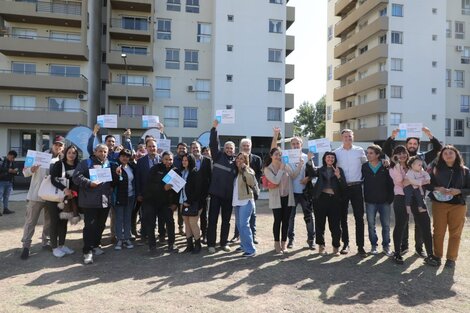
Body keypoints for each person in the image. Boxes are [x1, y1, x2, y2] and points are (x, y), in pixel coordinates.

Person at [383, 126, 442, 257]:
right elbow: (387, 149)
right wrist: (392, 136)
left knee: (420, 224)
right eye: (410, 143)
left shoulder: (423, 157)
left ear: (418, 145)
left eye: (415, 143)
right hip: (402, 196)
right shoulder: (400, 157)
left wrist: (429, 134)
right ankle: (403, 247)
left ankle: (419, 248)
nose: (412, 145)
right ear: (406, 145)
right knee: (403, 223)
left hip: (419, 194)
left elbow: (438, 149)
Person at [388, 146, 439, 266]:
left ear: (407, 154)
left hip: (418, 198)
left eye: (403, 153)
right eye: (398, 154)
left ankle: (430, 255)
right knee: (401, 224)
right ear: (394, 156)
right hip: (401, 197)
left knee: (425, 224)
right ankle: (397, 253)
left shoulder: (415, 164)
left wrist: (412, 180)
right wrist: (398, 165)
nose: (402, 155)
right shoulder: (393, 168)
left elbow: (426, 179)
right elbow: (400, 181)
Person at [20, 136, 65, 260]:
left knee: (49, 221)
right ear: (52, 145)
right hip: (35, 195)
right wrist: (32, 169)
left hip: (51, 196)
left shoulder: (61, 161)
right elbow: (24, 172)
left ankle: (46, 242)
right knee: (30, 221)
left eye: (60, 145)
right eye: (56, 144)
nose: (58, 147)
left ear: (63, 148)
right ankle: (26, 246)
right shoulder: (36, 156)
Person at [271, 128, 315, 250]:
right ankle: (291, 239)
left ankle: (311, 239)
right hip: (291, 192)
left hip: (305, 192)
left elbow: (314, 172)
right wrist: (275, 136)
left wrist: (308, 178)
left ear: (301, 145)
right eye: (293, 143)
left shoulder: (307, 157)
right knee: (290, 217)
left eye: (298, 143)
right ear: (291, 145)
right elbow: (274, 149)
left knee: (309, 217)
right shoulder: (286, 156)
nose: (295, 145)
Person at [428, 145, 470, 268]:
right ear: (441, 156)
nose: (448, 155)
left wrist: (459, 191)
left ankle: (451, 259)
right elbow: (426, 184)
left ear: (456, 154)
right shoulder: (434, 169)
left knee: (455, 233)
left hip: (458, 205)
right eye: (445, 153)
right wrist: (437, 188)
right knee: (438, 232)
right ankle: (437, 256)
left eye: (451, 152)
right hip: (439, 204)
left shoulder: (465, 171)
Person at [73, 144, 113, 265]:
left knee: (100, 225)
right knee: (90, 227)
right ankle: (87, 251)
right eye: (100, 151)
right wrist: (90, 183)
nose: (103, 153)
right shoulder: (86, 163)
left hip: (104, 201)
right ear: (95, 152)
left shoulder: (108, 163)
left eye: (105, 151)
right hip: (89, 201)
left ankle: (96, 245)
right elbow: (76, 176)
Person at [334, 129, 367, 257]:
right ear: (341, 138)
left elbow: (367, 165)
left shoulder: (359, 151)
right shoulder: (336, 153)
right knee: (343, 217)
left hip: (357, 187)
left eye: (350, 136)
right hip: (342, 188)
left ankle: (360, 246)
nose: (348, 138)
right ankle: (345, 243)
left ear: (353, 137)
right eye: (345, 136)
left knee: (359, 217)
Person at [305, 152, 346, 255]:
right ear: (324, 159)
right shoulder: (320, 169)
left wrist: (339, 176)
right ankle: (321, 246)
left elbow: (344, 186)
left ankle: (336, 247)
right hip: (321, 199)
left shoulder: (338, 170)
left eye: (332, 157)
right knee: (320, 224)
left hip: (335, 200)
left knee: (335, 225)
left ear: (335, 159)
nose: (330, 159)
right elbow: (312, 173)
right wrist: (310, 160)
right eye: (328, 157)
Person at [206, 120, 237, 253]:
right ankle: (211, 244)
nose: (229, 150)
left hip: (228, 197)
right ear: (224, 149)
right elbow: (213, 143)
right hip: (215, 195)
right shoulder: (217, 156)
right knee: (212, 220)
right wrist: (214, 128)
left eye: (231, 149)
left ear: (234, 151)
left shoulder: (236, 162)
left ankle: (224, 243)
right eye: (227, 148)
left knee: (226, 221)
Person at [142, 151, 179, 253]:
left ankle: (171, 244)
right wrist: (163, 187)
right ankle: (152, 246)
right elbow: (148, 185)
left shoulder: (175, 171)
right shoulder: (155, 169)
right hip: (151, 201)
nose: (168, 161)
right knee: (151, 224)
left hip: (165, 203)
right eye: (166, 159)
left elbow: (177, 190)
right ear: (162, 159)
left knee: (170, 222)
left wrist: (175, 203)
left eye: (170, 159)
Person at [361, 145, 394, 256]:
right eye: (367, 152)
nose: (368, 155)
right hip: (370, 201)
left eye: (371, 153)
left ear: (377, 155)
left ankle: (386, 246)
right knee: (371, 225)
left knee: (386, 225)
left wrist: (390, 199)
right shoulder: (364, 167)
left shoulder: (385, 166)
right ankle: (373, 246)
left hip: (384, 201)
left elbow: (391, 183)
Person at [264, 147, 296, 254]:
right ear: (271, 156)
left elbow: (294, 175)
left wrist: (300, 165)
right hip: (276, 199)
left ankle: (284, 243)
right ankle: (276, 243)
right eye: (276, 154)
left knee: (286, 221)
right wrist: (281, 169)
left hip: (287, 197)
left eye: (280, 155)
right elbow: (275, 181)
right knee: (278, 220)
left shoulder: (286, 165)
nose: (278, 157)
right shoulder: (268, 169)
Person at [49, 145, 80, 258]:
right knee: (55, 222)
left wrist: (73, 192)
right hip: (55, 198)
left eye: (74, 153)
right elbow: (53, 179)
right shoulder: (59, 164)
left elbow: (78, 181)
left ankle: (62, 245)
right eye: (69, 152)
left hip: (69, 198)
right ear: (65, 153)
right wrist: (64, 189)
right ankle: (54, 247)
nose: (71, 155)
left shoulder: (78, 166)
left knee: (64, 222)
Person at [230, 138, 262, 245]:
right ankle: (237, 235)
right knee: (240, 218)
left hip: (251, 191)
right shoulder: (237, 159)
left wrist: (256, 189)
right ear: (240, 147)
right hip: (239, 193)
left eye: (248, 145)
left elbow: (258, 175)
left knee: (252, 215)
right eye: (244, 145)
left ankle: (253, 236)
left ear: (251, 147)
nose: (246, 147)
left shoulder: (257, 159)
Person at [135, 139, 162, 241]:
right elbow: (138, 179)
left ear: (156, 147)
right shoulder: (141, 161)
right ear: (146, 148)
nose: (152, 148)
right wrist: (139, 193)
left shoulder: (162, 160)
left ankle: (161, 234)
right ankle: (145, 235)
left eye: (154, 146)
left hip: (160, 194)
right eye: (150, 146)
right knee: (146, 216)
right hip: (146, 195)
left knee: (160, 216)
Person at [233, 152, 257, 257]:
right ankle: (243, 245)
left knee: (244, 225)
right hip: (237, 201)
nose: (239, 160)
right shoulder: (236, 172)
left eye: (242, 159)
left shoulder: (249, 170)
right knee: (239, 225)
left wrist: (245, 169)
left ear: (246, 161)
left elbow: (251, 182)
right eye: (238, 158)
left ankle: (251, 249)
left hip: (246, 201)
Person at [111, 149, 136, 251]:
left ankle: (126, 238)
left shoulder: (131, 167)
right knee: (119, 218)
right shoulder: (114, 166)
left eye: (127, 156)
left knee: (127, 218)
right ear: (119, 156)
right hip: (119, 197)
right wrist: (117, 174)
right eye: (123, 156)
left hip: (130, 196)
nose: (125, 158)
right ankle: (119, 239)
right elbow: (112, 183)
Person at [179, 153, 203, 254]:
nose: (184, 162)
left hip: (194, 203)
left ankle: (198, 245)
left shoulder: (195, 172)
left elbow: (198, 190)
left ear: (191, 161)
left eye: (186, 160)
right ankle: (189, 246)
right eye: (183, 160)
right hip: (182, 201)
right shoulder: (182, 172)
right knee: (187, 224)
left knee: (193, 223)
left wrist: (189, 202)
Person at [190, 141, 212, 244]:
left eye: (197, 147)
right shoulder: (188, 159)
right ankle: (192, 236)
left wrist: (209, 192)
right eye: (193, 147)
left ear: (200, 148)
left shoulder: (207, 161)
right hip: (190, 195)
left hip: (204, 194)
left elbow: (211, 177)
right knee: (190, 216)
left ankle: (205, 235)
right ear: (191, 149)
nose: (195, 149)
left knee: (204, 216)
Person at [173, 142, 188, 236]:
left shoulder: (188, 159)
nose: (182, 150)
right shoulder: (173, 159)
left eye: (184, 148)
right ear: (177, 149)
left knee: (182, 210)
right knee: (171, 208)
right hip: (173, 188)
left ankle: (181, 228)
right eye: (180, 148)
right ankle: (168, 228)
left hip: (184, 189)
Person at [0, 150, 18, 215]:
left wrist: (15, 171)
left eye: (14, 158)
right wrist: (8, 170)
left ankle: (5, 209)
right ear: (9, 155)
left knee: (6, 196)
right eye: (12, 157)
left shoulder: (12, 162)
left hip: (9, 181)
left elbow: (16, 171)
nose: (13, 159)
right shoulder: (2, 161)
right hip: (1, 181)